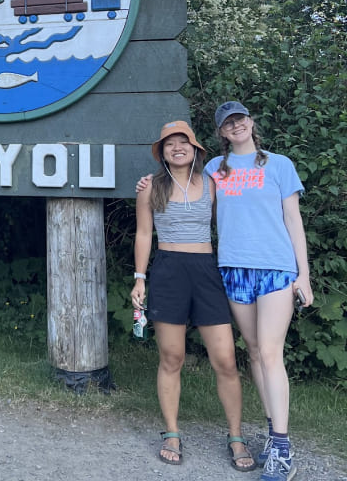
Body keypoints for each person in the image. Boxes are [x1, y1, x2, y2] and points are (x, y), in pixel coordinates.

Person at [130, 120, 255, 471]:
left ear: (196, 148)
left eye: (183, 141)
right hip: (168, 269)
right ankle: (171, 432)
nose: (176, 147)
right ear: (162, 153)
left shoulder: (214, 184)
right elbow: (143, 235)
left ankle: (236, 436)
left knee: (226, 360)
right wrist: (140, 279)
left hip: (205, 270)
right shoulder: (149, 187)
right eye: (169, 144)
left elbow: (234, 218)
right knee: (172, 358)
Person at [206, 101, 313, 481]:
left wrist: (304, 274)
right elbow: (189, 200)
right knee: (253, 351)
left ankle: (282, 449)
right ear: (221, 132)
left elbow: (292, 219)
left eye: (241, 120)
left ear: (251, 122)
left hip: (275, 267)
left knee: (270, 352)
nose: (236, 126)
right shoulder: (214, 169)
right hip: (234, 267)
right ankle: (271, 429)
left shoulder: (279, 165)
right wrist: (151, 184)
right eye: (228, 123)